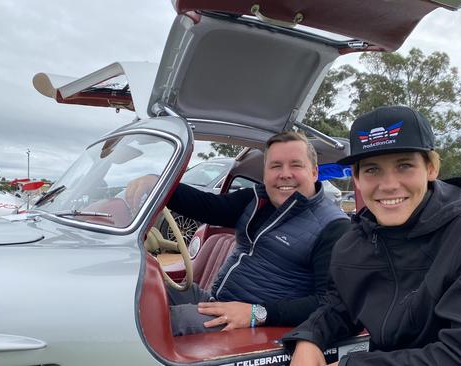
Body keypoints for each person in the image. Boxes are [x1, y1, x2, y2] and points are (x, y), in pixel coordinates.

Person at [282, 106, 461, 365]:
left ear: (431, 168)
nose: (388, 185)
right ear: (357, 177)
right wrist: (310, 337)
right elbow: (339, 306)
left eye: (404, 165)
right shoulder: (353, 243)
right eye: (372, 170)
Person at [127, 131, 350, 336]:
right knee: (140, 289)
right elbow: (208, 206)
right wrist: (160, 184)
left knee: (157, 322)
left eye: (295, 165)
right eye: (275, 166)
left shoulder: (333, 226)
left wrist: (257, 313)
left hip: (257, 323)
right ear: (265, 173)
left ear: (314, 172)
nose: (284, 174)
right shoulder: (256, 199)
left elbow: (329, 303)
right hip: (217, 301)